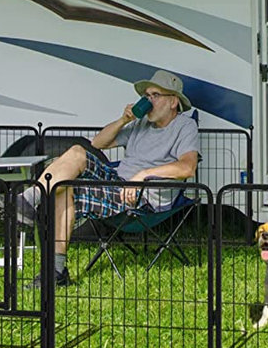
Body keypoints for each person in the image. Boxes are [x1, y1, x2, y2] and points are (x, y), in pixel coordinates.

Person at [17, 69, 199, 288]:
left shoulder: (184, 127)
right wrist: (123, 120)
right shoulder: (141, 124)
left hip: (143, 196)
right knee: (77, 152)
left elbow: (187, 167)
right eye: (147, 95)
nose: (148, 100)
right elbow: (97, 143)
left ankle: (56, 271)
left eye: (155, 95)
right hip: (118, 181)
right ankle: (30, 198)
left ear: (173, 102)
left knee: (65, 189)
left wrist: (143, 176)